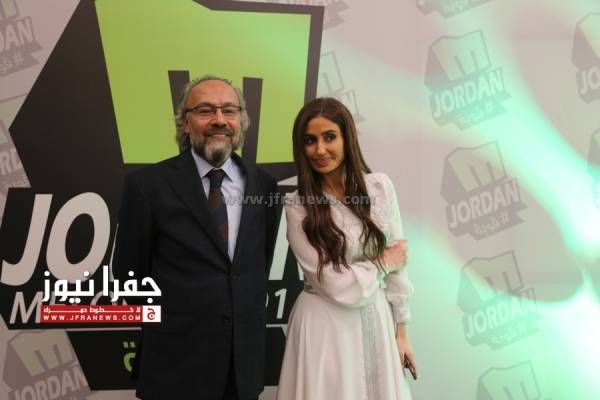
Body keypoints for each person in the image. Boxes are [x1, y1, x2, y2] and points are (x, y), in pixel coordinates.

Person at [113, 75, 278, 400]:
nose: (219, 120)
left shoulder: (264, 185)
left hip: (241, 371)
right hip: (174, 369)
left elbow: (258, 264)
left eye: (229, 110)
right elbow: (129, 276)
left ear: (241, 121)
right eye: (205, 110)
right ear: (185, 123)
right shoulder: (148, 186)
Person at [276, 97, 417, 400]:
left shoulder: (380, 187)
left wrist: (402, 332)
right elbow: (332, 282)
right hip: (323, 325)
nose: (320, 150)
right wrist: (382, 263)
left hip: (377, 318)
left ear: (346, 138)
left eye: (329, 137)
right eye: (310, 140)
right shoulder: (298, 205)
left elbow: (399, 267)